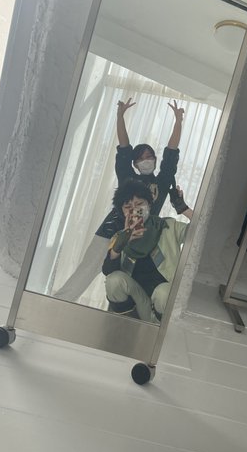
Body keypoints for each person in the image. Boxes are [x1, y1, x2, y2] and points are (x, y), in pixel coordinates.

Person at [54, 98, 188, 302]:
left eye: (150, 156)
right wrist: (119, 116)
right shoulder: (127, 178)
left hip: (142, 235)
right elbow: (124, 147)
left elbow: (171, 154)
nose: (146, 160)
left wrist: (178, 121)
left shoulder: (161, 183)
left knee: (128, 278)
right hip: (111, 230)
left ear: (155, 159)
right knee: (88, 268)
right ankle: (60, 300)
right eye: (141, 158)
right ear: (135, 163)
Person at [103, 178, 193, 323]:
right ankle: (126, 326)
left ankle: (160, 330)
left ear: (149, 205)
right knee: (114, 280)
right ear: (122, 212)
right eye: (128, 206)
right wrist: (120, 245)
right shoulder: (119, 238)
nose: (134, 210)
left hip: (164, 305)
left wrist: (184, 209)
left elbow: (202, 233)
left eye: (139, 204)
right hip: (138, 305)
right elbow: (108, 271)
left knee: (164, 292)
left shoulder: (168, 226)